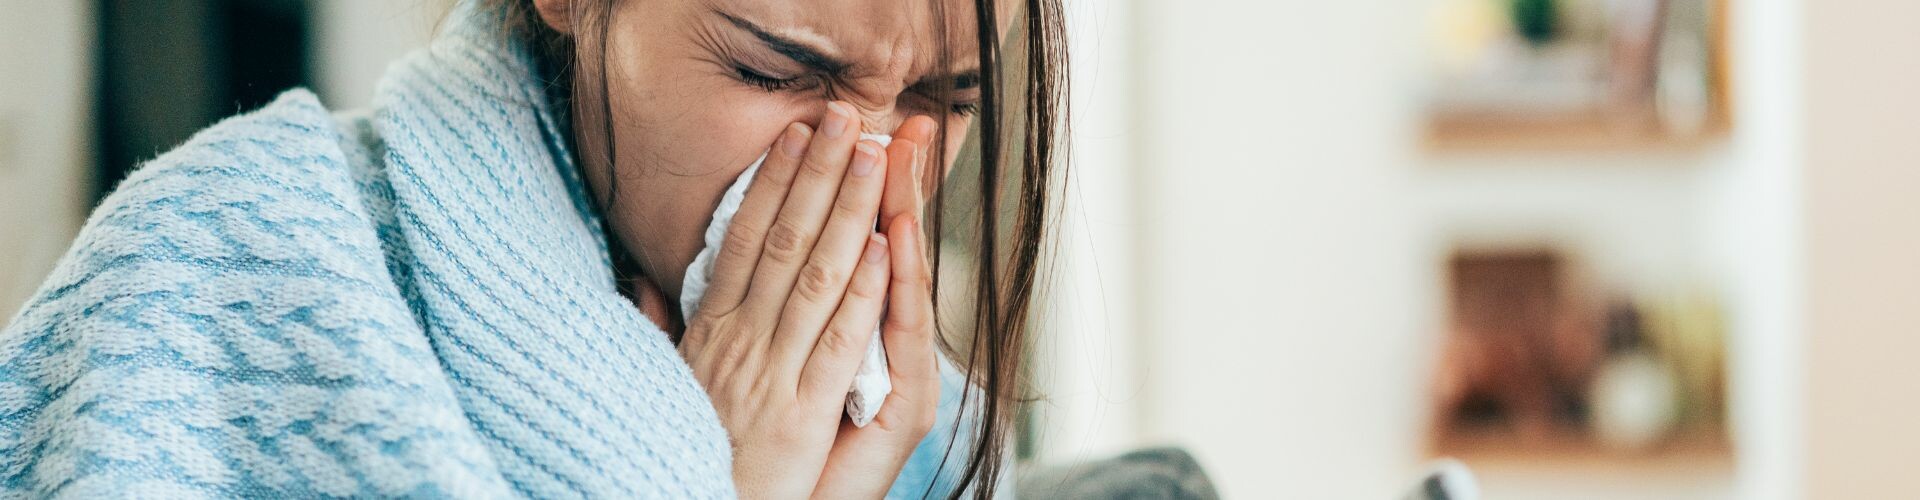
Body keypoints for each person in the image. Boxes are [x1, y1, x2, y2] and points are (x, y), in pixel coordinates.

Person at [0, 0, 1066, 497]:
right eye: (775, 72)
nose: (864, 165)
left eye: (942, 100)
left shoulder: (924, 438)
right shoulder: (213, 275)